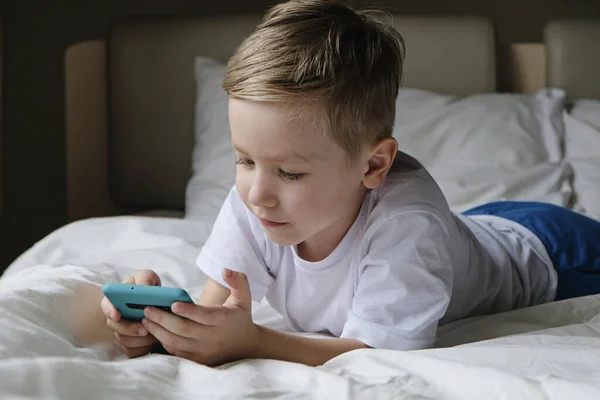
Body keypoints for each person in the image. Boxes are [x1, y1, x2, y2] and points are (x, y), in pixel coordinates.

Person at [100, 0, 600, 367]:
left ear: (374, 166)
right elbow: (214, 313)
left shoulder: (408, 223)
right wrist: (156, 327)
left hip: (554, 250)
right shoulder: (259, 198)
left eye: (291, 172)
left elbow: (375, 355)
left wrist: (253, 340)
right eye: (244, 160)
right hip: (476, 229)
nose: (257, 193)